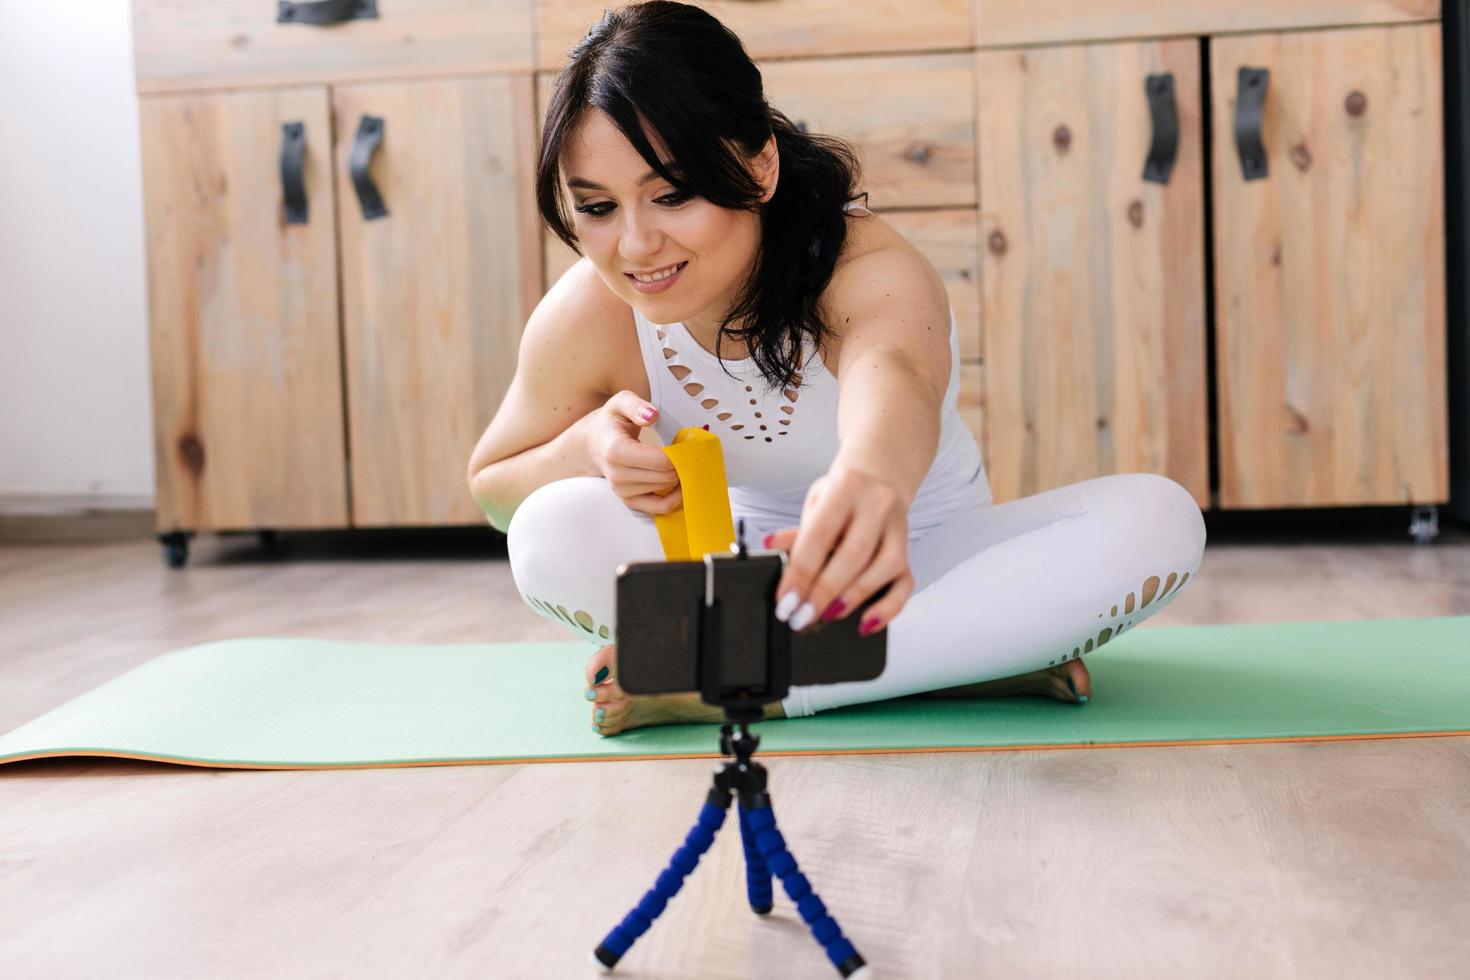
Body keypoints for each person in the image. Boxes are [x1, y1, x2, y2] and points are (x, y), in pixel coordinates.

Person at [466, 1, 1206, 736]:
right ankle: (954, 667)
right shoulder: (592, 311)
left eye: (673, 194)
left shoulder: (865, 267)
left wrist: (869, 484)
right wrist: (590, 447)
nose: (634, 245)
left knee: (1159, 519)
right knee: (543, 532)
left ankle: (746, 682)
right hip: (743, 584)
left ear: (758, 168)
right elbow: (495, 490)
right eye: (596, 208)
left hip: (927, 570)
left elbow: (898, 382)